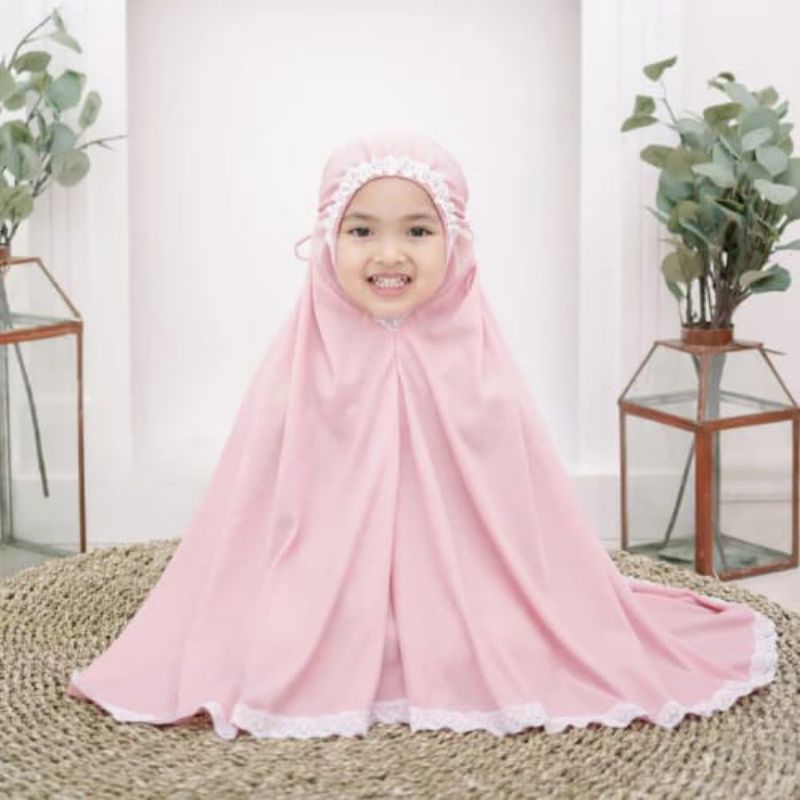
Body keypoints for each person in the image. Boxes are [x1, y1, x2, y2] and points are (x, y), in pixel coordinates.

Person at [67, 132, 778, 740]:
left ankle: (445, 627)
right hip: (324, 583)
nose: (390, 254)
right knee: (270, 631)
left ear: (454, 239)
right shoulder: (300, 363)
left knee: (520, 624)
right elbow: (256, 507)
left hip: (463, 583)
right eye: (361, 231)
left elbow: (518, 507)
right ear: (327, 239)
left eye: (417, 230)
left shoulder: (478, 360)